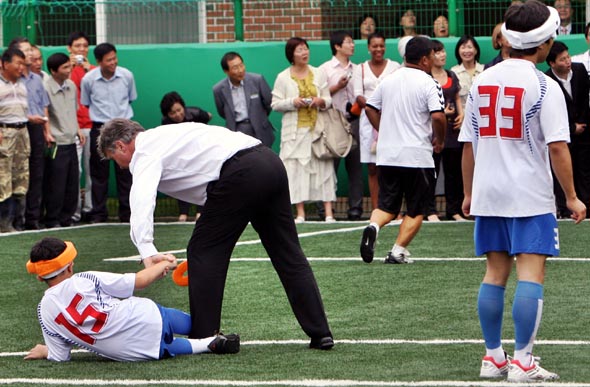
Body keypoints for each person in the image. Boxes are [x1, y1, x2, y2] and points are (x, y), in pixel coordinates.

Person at [97, 118, 334, 350]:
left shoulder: (144, 150)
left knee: (203, 250)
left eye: (114, 159)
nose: (120, 166)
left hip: (241, 172)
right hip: (269, 162)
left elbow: (141, 197)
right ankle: (321, 333)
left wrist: (146, 249)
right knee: (288, 254)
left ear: (120, 145)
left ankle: (204, 336)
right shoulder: (167, 136)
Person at [459, 0, 586, 381]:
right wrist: (572, 196)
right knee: (531, 274)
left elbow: (469, 144)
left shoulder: (483, 79)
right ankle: (524, 362)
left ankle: (493, 357)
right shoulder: (544, 86)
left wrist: (468, 193)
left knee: (494, 273)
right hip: (529, 194)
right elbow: (558, 147)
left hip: (489, 192)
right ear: (545, 42)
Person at [24, 237, 240, 362]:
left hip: (130, 351)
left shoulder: (44, 311)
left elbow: (60, 357)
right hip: (146, 316)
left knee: (167, 347)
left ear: (40, 276)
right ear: (70, 265)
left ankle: (208, 344)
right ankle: (207, 329)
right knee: (172, 318)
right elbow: (140, 281)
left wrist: (46, 351)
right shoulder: (84, 278)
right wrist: (163, 265)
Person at [360, 36, 446, 265]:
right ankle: (398, 251)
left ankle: (373, 225)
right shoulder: (429, 82)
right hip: (417, 155)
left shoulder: (389, 80)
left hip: (388, 155)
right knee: (417, 208)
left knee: (387, 205)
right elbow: (438, 115)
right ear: (425, 59)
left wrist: (384, 130)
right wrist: (439, 139)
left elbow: (369, 108)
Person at [272, 37, 336, 223]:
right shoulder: (283, 77)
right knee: (295, 170)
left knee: (323, 168)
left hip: (317, 130)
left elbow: (328, 99)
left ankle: (329, 212)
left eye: (305, 49)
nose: (304, 53)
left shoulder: (318, 73)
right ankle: (300, 213)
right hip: (294, 133)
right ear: (291, 54)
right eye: (299, 50)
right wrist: (293, 102)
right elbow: (275, 104)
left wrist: (320, 101)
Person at [81, 42, 137, 224]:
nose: (113, 62)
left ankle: (127, 213)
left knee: (127, 171)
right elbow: (86, 102)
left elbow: (131, 98)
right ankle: (98, 214)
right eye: (108, 60)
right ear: (98, 61)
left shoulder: (127, 75)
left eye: (114, 58)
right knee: (99, 173)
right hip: (100, 128)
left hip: (124, 128)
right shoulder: (88, 79)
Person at [352, 31, 400, 211]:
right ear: (369, 47)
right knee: (372, 167)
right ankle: (376, 208)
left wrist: (383, 107)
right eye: (374, 46)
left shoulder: (395, 67)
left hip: (389, 120)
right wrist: (373, 106)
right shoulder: (360, 68)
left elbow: (397, 92)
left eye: (381, 45)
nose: (378, 49)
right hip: (367, 122)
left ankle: (392, 208)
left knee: (390, 165)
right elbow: (358, 95)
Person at [319, 30, 364, 221]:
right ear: (337, 46)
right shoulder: (325, 69)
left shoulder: (358, 68)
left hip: (354, 119)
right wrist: (337, 87)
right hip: (333, 122)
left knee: (355, 168)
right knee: (330, 168)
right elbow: (320, 94)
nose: (352, 45)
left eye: (352, 42)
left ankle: (356, 209)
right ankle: (325, 210)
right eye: (348, 42)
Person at [8, 37, 50, 231]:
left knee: (35, 174)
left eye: (31, 50)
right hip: (15, 127)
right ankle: (15, 219)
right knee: (14, 174)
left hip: (34, 129)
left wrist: (46, 130)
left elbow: (44, 106)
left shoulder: (37, 79)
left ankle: (33, 218)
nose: (30, 53)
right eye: (25, 50)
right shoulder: (11, 80)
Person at [545, 41, 590, 215]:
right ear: (552, 63)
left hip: (584, 131)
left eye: (568, 57)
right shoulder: (547, 79)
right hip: (562, 133)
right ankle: (564, 209)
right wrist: (572, 128)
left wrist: (582, 124)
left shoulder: (580, 71)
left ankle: (586, 206)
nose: (568, 61)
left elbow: (585, 102)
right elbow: (552, 110)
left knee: (584, 171)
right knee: (561, 170)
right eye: (562, 59)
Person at [42, 53, 84, 228]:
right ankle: (52, 219)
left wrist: (78, 130)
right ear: (53, 70)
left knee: (72, 182)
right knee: (56, 184)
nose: (69, 70)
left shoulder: (72, 86)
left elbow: (72, 112)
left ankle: (67, 218)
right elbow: (45, 112)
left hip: (71, 140)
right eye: (65, 67)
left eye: (69, 65)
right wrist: (48, 133)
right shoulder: (45, 87)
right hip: (56, 142)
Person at [426, 40, 465, 222]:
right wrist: (440, 113)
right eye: (437, 52)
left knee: (454, 173)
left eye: (442, 52)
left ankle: (454, 210)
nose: (442, 55)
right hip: (433, 132)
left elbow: (456, 96)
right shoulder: (425, 78)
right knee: (431, 171)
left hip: (453, 131)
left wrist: (461, 114)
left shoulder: (451, 75)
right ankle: (430, 210)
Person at [160, 91, 212, 222]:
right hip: (181, 155)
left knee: (202, 180)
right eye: (172, 113)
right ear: (167, 115)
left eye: (179, 110)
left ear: (183, 106)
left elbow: (209, 116)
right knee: (182, 182)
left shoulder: (196, 113)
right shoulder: (166, 123)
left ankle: (201, 211)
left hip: (200, 152)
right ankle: (183, 212)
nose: (177, 115)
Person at [212, 52, 275, 147]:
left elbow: (269, 102)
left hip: (260, 129)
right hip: (237, 131)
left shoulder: (257, 80)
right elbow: (222, 112)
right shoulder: (218, 89)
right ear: (226, 71)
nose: (240, 70)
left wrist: (259, 117)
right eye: (235, 68)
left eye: (241, 65)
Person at [67, 31, 95, 223]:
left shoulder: (93, 70)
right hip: (73, 128)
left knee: (91, 170)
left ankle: (89, 209)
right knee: (74, 172)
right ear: (70, 49)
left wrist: (88, 70)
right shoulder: (64, 68)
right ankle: (74, 212)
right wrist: (70, 67)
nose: (82, 49)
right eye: (77, 46)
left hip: (92, 125)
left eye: (85, 46)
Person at [0, 48, 28, 233]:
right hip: (5, 132)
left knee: (22, 174)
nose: (21, 67)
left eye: (23, 64)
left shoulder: (22, 84)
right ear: (5, 64)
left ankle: (19, 221)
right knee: (3, 177)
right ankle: (5, 222)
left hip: (22, 132)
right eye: (18, 63)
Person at [451, 35, 484, 111]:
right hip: (463, 117)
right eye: (463, 48)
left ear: (476, 50)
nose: (466, 51)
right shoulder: (453, 72)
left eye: (469, 47)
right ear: (458, 51)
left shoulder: (484, 70)